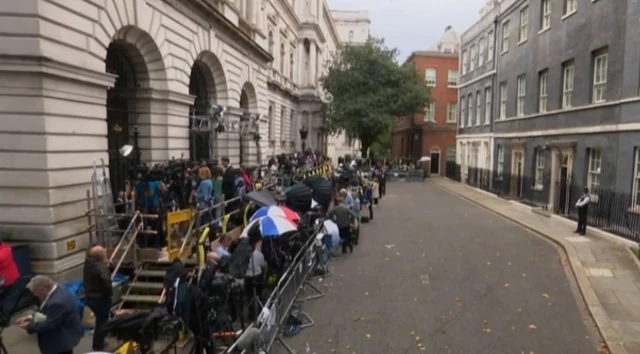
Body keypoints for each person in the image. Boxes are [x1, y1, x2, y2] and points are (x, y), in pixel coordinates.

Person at [16, 275, 84, 354]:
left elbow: (50, 324)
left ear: (42, 289)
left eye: (34, 292)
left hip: (60, 342)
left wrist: (29, 326)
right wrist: (31, 317)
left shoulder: (57, 302)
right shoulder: (57, 292)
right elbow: (47, 311)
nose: (34, 295)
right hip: (64, 337)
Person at [83, 245, 112, 352]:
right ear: (100, 255)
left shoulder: (88, 263)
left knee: (99, 321)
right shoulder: (101, 267)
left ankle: (98, 342)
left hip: (90, 297)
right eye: (104, 252)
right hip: (101, 299)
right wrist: (109, 294)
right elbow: (106, 283)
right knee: (102, 323)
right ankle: (98, 345)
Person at [134, 175, 167, 249]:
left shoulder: (153, 183)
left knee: (152, 228)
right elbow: (165, 190)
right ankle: (150, 246)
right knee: (148, 228)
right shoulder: (144, 184)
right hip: (148, 208)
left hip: (150, 208)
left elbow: (135, 197)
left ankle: (149, 246)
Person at [245, 240, 267, 321]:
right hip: (258, 276)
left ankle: (252, 314)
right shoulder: (259, 254)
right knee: (259, 294)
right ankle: (260, 311)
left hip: (248, 277)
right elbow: (262, 265)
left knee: (249, 296)